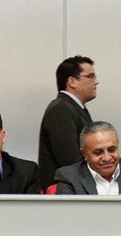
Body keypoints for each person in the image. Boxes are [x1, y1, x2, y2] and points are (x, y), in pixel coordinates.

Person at [36, 56, 98, 189]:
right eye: (91, 76)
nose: (96, 82)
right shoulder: (60, 109)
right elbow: (70, 160)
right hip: (65, 194)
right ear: (72, 81)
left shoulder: (73, 108)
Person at [53, 121, 121, 195]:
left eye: (112, 150)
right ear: (84, 154)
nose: (107, 158)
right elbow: (65, 218)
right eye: (98, 152)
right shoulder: (69, 177)